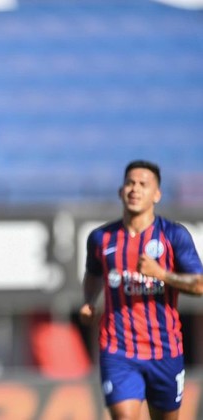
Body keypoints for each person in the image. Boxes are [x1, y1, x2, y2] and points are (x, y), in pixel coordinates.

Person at [79, 160, 203, 420]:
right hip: (118, 350)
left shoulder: (174, 235)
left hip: (165, 350)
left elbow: (199, 285)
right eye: (130, 183)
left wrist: (161, 274)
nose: (135, 189)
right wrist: (89, 300)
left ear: (156, 194)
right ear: (120, 191)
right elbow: (93, 273)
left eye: (143, 184)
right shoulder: (101, 238)